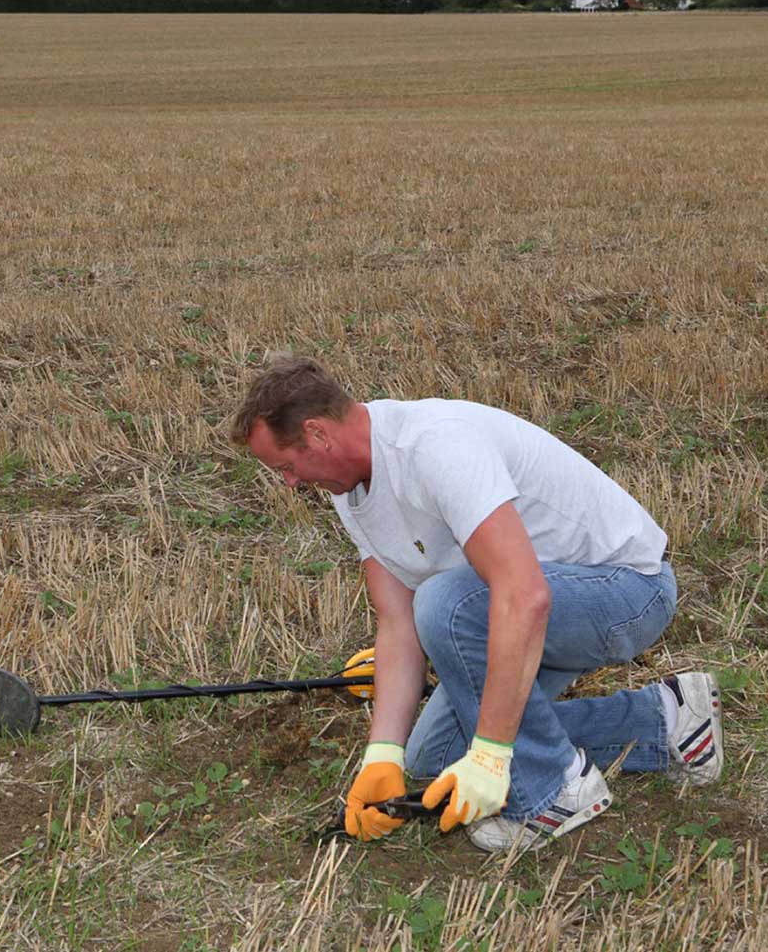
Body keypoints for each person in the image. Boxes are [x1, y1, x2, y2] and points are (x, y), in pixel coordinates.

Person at [230, 355, 722, 851]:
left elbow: (523, 595)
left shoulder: (433, 446)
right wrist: (382, 756)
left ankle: (555, 791)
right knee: (435, 759)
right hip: (525, 617)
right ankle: (667, 719)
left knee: (445, 604)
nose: (291, 484)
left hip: (626, 591)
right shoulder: (350, 491)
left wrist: (492, 755)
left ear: (317, 434)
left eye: (286, 467)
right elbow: (397, 624)